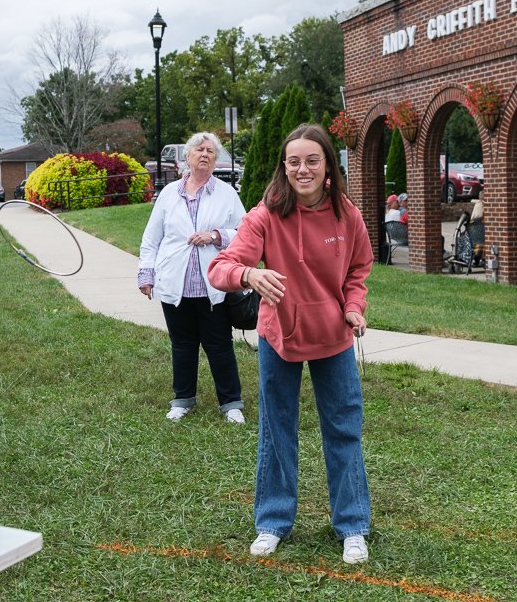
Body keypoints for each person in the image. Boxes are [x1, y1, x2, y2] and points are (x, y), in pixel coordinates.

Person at [208, 124, 374, 566]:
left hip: (334, 336)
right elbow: (221, 267)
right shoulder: (266, 215)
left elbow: (359, 268)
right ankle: (273, 522)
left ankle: (353, 526)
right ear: (285, 167)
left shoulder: (347, 214)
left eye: (312, 161)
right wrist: (250, 275)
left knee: (343, 428)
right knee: (277, 429)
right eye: (294, 161)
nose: (303, 169)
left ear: (327, 168)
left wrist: (354, 306)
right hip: (278, 337)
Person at [138, 132, 247, 424]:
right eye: (199, 149)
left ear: (216, 159)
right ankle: (183, 399)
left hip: (214, 285)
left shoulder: (227, 194)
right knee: (182, 344)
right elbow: (151, 239)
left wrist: (215, 236)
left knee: (219, 345)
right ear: (187, 156)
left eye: (211, 151)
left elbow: (246, 234)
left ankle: (231, 403)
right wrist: (146, 274)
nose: (205, 154)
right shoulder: (168, 194)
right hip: (176, 282)